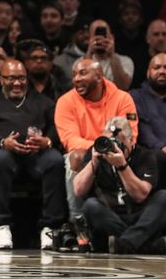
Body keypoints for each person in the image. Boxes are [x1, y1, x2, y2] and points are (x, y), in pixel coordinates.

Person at [0, 59, 65, 250]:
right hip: (4, 153)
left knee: (55, 160)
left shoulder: (42, 102)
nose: (17, 83)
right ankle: (1, 226)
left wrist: (47, 141)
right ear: (1, 79)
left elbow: (57, 124)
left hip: (37, 155)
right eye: (11, 78)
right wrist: (2, 141)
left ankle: (50, 227)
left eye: (21, 78)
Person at [55, 59, 138, 227]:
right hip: (87, 155)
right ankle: (77, 223)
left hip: (119, 153)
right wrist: (99, 149)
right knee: (76, 156)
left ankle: (137, 220)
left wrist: (109, 149)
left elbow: (130, 135)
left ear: (99, 77)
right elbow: (70, 141)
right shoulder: (65, 101)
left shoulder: (123, 98)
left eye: (83, 73)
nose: (76, 79)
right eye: (74, 75)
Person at [73, 116, 166, 254]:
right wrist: (94, 163)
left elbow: (140, 195)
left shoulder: (146, 156)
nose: (114, 147)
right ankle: (146, 245)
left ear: (131, 140)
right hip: (112, 217)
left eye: (119, 143)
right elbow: (78, 190)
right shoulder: (98, 151)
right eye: (111, 142)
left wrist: (122, 166)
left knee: (163, 197)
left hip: (141, 216)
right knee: (91, 206)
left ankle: (124, 244)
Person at [131, 53, 166, 190]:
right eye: (157, 67)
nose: (162, 71)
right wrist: (162, 147)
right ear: (148, 72)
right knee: (157, 156)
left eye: (165, 67)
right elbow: (142, 129)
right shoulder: (135, 96)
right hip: (152, 151)